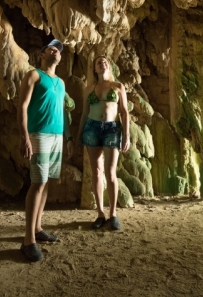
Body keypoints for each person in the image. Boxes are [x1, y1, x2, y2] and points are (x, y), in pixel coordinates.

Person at [17, 39, 74, 262]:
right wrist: (25, 137)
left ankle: (38, 228)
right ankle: (27, 240)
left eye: (58, 50)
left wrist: (68, 137)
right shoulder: (34, 76)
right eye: (51, 48)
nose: (56, 51)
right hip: (38, 134)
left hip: (57, 136)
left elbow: (62, 111)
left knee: (47, 181)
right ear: (41, 54)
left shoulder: (60, 83)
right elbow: (22, 106)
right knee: (38, 183)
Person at [75, 55, 130, 231]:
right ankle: (100, 213)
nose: (102, 62)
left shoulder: (118, 86)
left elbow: (124, 112)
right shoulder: (89, 88)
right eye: (99, 62)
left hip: (112, 129)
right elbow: (84, 113)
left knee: (110, 172)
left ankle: (113, 214)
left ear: (109, 66)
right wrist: (78, 135)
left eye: (105, 60)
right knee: (96, 171)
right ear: (95, 69)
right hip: (91, 129)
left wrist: (126, 135)